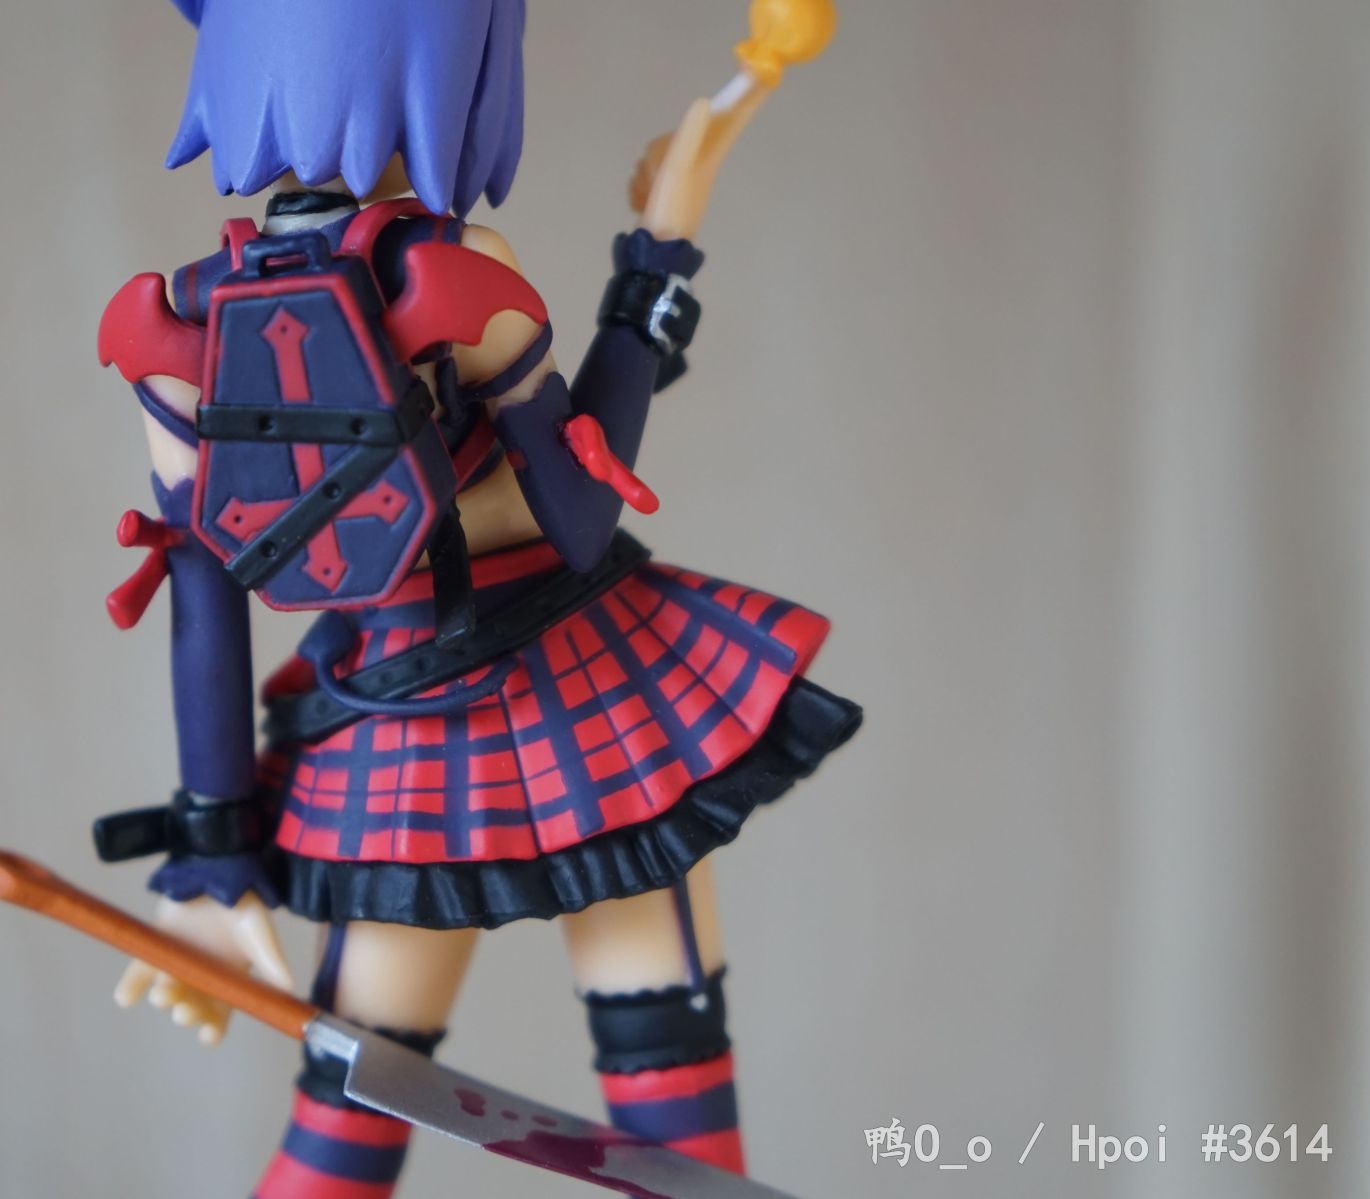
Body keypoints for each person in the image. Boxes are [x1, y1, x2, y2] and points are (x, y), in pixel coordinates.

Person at [97, 2, 861, 1194]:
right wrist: (656, 261)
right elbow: (580, 513)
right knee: (669, 1078)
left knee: (344, 1118)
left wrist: (214, 859)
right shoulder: (456, 273)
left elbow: (203, 601)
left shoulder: (173, 324)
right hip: (584, 705)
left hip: (387, 746)